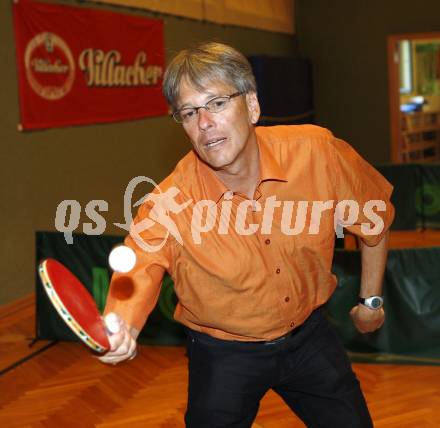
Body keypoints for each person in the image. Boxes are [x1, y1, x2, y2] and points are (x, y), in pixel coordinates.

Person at [98, 42, 394, 428]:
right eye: (189, 112)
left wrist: (370, 302)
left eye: (217, 103)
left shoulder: (317, 152)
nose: (204, 122)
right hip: (223, 357)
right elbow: (140, 266)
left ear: (252, 106)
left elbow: (375, 218)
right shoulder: (169, 201)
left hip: (311, 337)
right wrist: (121, 325)